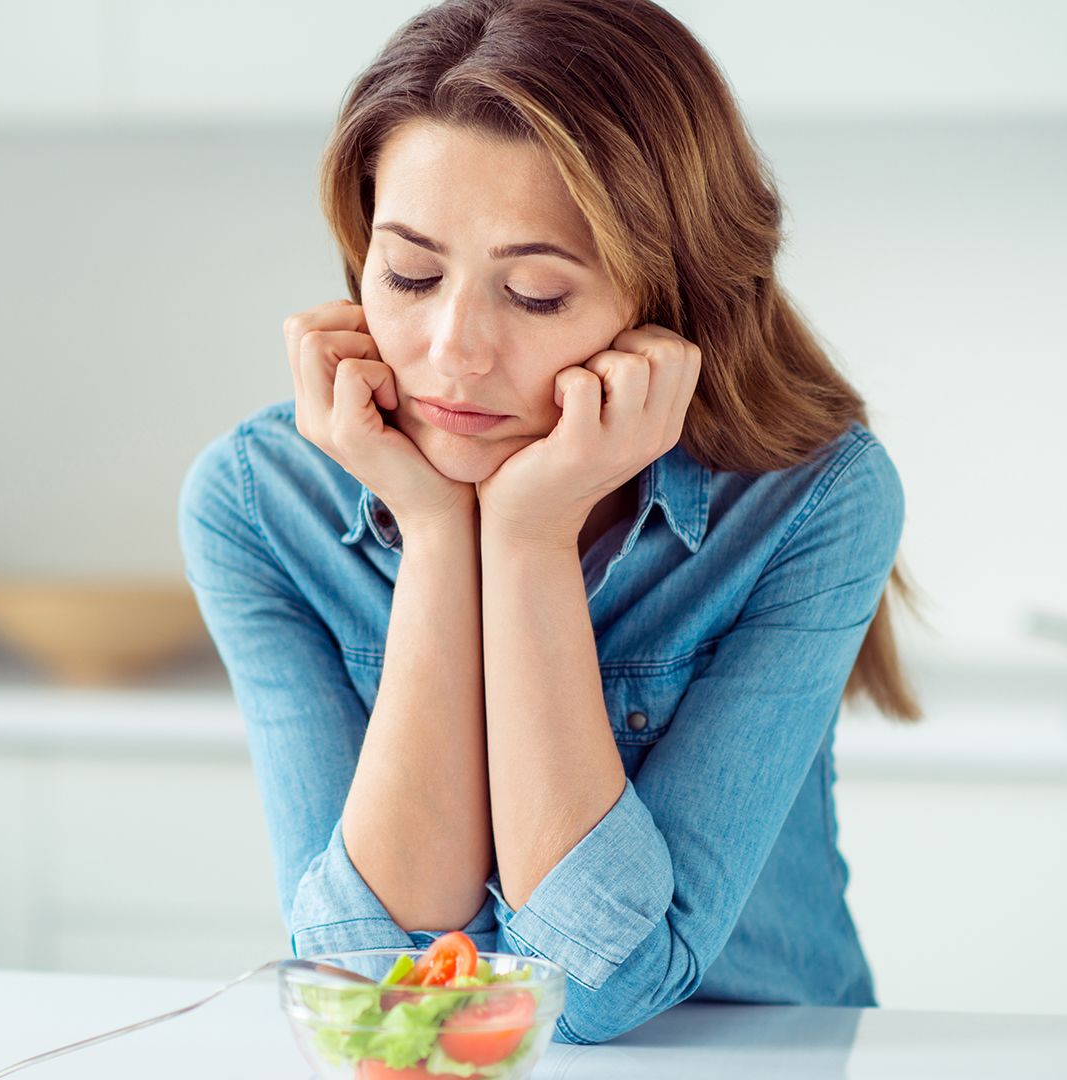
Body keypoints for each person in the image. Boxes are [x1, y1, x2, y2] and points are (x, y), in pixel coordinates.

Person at [179, 0, 916, 1044]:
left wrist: (525, 540)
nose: (453, 350)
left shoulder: (813, 501)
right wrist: (438, 538)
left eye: (534, 294)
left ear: (665, 305)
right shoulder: (259, 506)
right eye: (412, 274)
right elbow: (378, 989)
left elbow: (602, 987)